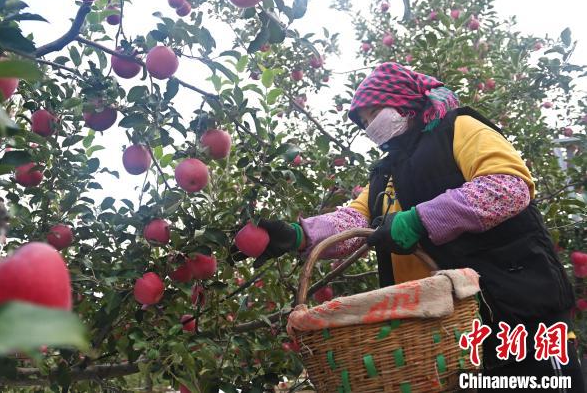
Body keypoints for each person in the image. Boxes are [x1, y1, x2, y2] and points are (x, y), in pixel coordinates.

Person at [232, 62, 583, 392]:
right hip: (448, 330)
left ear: (402, 102)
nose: (370, 126)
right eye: (364, 122)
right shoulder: (386, 172)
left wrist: (420, 220)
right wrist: (299, 235)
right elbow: (356, 220)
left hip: (516, 311)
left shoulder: (458, 128)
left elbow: (507, 187)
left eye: (373, 114)